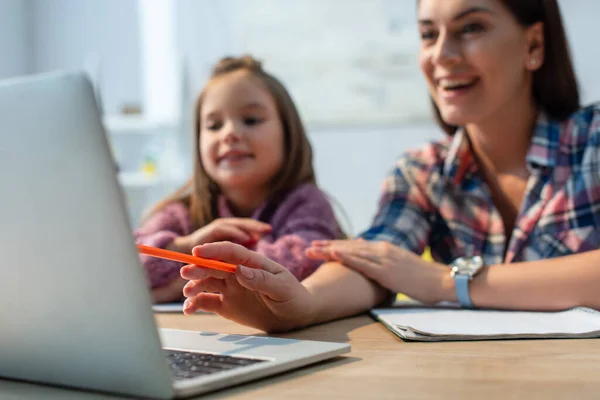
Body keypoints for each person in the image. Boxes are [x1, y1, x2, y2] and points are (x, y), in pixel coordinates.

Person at [180, 0, 600, 332]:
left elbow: (415, 274)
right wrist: (300, 304)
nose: (442, 55)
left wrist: (442, 281)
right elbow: (374, 262)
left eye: (471, 28)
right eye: (428, 34)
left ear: (533, 46)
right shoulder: (420, 173)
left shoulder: (592, 140)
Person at [135, 56, 341, 303]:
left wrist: (181, 281)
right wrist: (186, 245)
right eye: (214, 125)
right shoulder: (180, 214)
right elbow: (123, 265)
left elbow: (302, 267)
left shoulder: (307, 204)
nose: (229, 133)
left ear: (289, 133)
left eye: (251, 120)